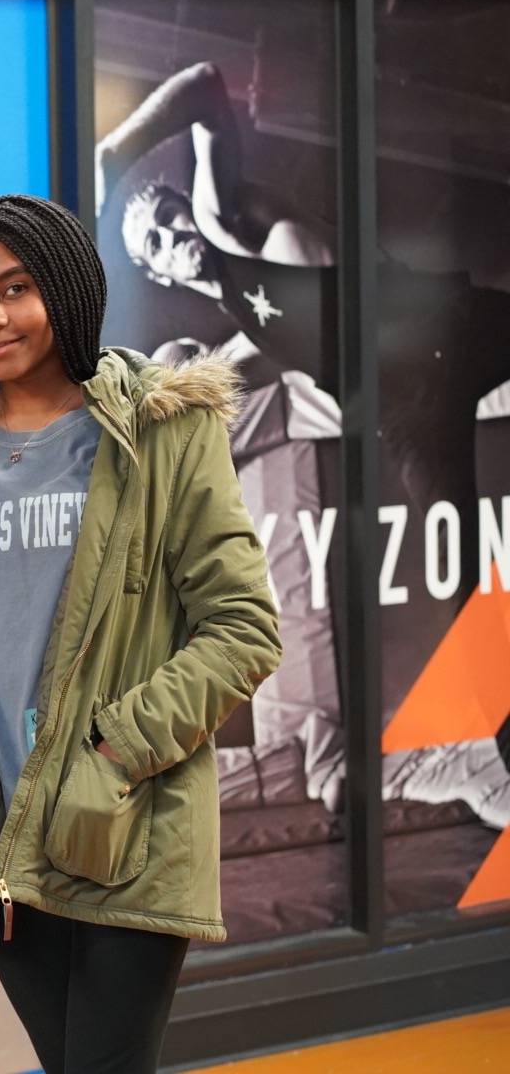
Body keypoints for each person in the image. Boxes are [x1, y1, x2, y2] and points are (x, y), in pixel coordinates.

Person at [0, 193, 282, 1072]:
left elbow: (244, 627)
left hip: (122, 818)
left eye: (16, 289)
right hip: (1, 830)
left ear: (70, 289)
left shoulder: (160, 425)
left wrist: (114, 754)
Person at [98, 59, 510, 832]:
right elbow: (218, 378)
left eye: (169, 217)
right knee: (465, 602)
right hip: (415, 415)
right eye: (155, 241)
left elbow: (206, 84)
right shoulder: (246, 332)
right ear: (160, 272)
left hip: (446, 330)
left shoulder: (227, 222)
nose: (172, 235)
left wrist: (116, 157)